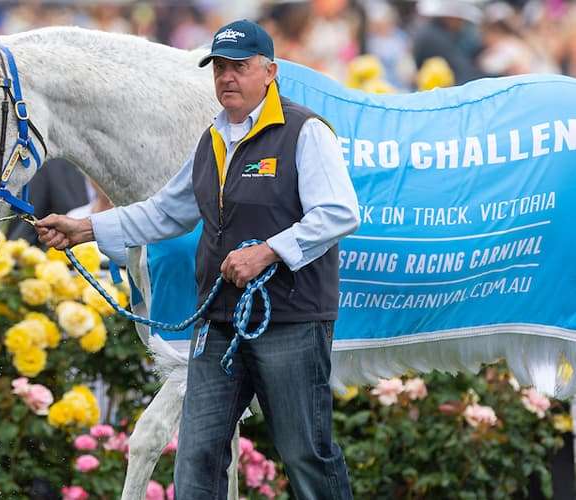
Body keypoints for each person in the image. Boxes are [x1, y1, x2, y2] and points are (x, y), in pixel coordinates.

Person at [35, 19, 358, 499]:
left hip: (290, 319)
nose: (227, 77)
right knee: (197, 455)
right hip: (219, 320)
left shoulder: (304, 131)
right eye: (220, 67)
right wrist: (85, 229)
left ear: (269, 71)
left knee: (306, 453)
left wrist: (267, 252)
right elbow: (166, 212)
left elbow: (339, 213)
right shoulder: (212, 139)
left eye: (239, 67)